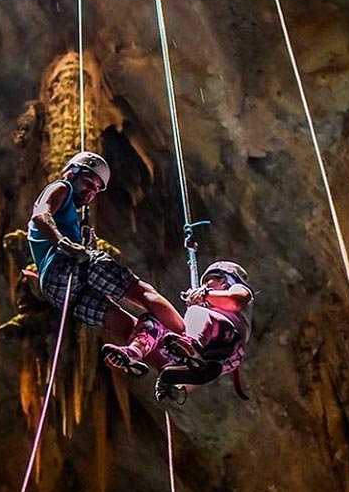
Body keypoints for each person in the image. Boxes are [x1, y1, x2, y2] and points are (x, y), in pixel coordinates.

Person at [24, 151, 185, 356]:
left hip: (58, 290)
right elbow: (40, 215)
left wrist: (84, 243)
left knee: (129, 326)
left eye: (97, 189)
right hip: (67, 265)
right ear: (70, 173)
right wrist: (64, 243)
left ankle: (165, 369)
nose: (91, 192)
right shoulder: (61, 187)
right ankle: (190, 339)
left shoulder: (73, 218)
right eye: (88, 183)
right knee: (142, 293)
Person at [102, 261, 254, 404]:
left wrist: (204, 295)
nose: (205, 285)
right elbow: (201, 374)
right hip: (216, 358)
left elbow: (236, 300)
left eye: (209, 280)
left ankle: (191, 346)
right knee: (153, 321)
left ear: (224, 280)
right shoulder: (206, 310)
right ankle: (135, 352)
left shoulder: (236, 289)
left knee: (195, 312)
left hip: (227, 336)